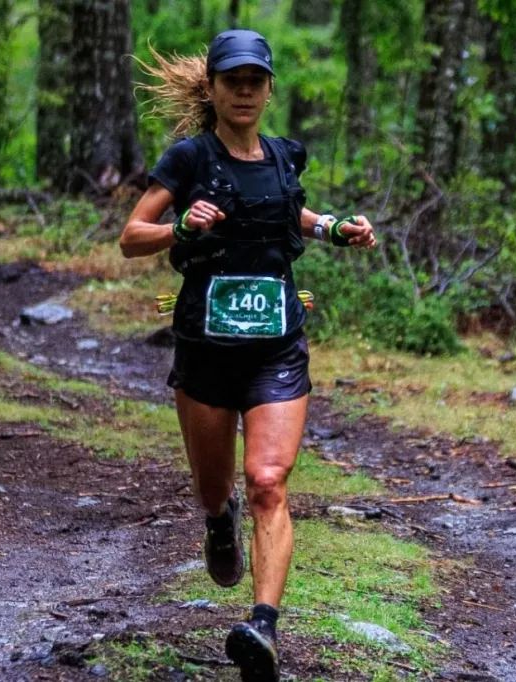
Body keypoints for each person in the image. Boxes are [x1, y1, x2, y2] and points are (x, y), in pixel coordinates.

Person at [120, 29, 377, 682]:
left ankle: (261, 627)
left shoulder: (286, 158)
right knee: (217, 489)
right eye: (231, 79)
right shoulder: (188, 159)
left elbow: (291, 212)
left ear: (268, 89)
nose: (243, 90)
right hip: (206, 353)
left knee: (268, 481)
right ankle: (216, 521)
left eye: (254, 80)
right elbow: (131, 237)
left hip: (277, 348)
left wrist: (333, 228)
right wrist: (181, 227)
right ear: (211, 87)